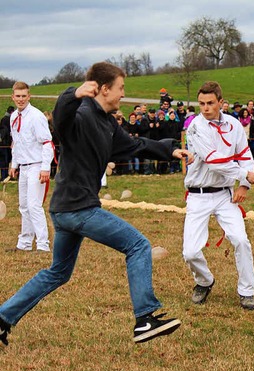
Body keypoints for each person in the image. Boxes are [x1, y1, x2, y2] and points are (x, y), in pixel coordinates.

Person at [0, 62, 194, 347]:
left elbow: (134, 145)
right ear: (104, 89)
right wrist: (73, 93)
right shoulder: (80, 114)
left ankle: (3, 318)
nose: (122, 95)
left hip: (67, 208)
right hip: (78, 208)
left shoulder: (106, 123)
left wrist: (168, 149)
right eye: (120, 88)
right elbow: (61, 118)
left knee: (58, 272)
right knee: (138, 245)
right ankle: (145, 319)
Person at [182, 81, 254, 310]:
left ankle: (247, 292)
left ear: (220, 102)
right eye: (201, 104)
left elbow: (245, 155)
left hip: (225, 196)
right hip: (198, 195)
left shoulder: (234, 125)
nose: (205, 108)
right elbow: (215, 161)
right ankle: (205, 281)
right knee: (190, 252)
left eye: (210, 103)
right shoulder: (195, 128)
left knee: (241, 240)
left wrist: (244, 185)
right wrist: (245, 174)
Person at [8, 81, 55, 252]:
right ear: (13, 97)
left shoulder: (36, 116)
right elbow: (17, 143)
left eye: (23, 96)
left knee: (34, 205)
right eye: (17, 96)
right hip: (24, 166)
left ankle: (43, 245)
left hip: (36, 166)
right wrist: (14, 164)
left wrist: (45, 168)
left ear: (29, 96)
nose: (20, 99)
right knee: (23, 205)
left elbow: (47, 143)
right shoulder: (14, 117)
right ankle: (25, 243)